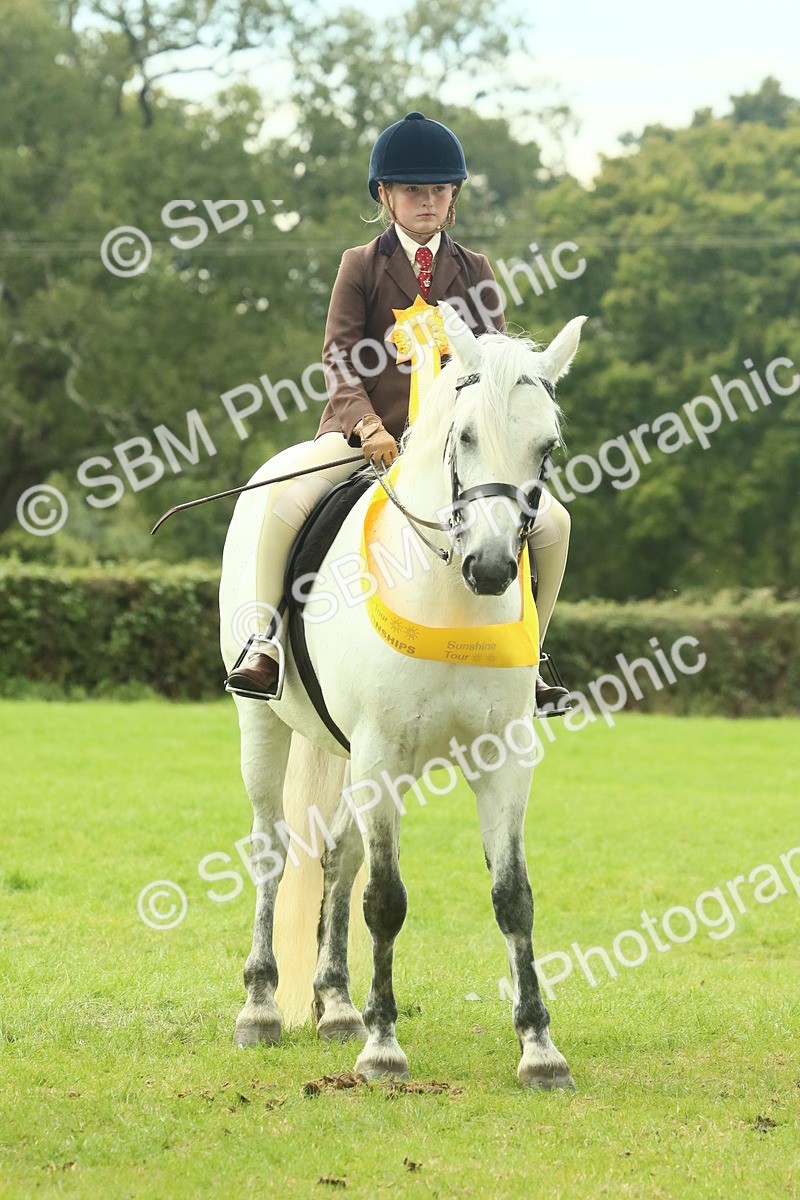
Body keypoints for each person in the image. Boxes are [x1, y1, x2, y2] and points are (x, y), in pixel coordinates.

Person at [226, 111, 572, 713]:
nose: (428, 201)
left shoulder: (475, 269)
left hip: (455, 449)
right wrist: (366, 425)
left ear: (453, 196)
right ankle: (266, 642)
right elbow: (338, 354)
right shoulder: (360, 265)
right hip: (366, 436)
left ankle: (532, 654)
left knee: (554, 525)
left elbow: (489, 371)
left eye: (439, 190)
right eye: (414, 190)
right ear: (386, 195)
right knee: (284, 504)